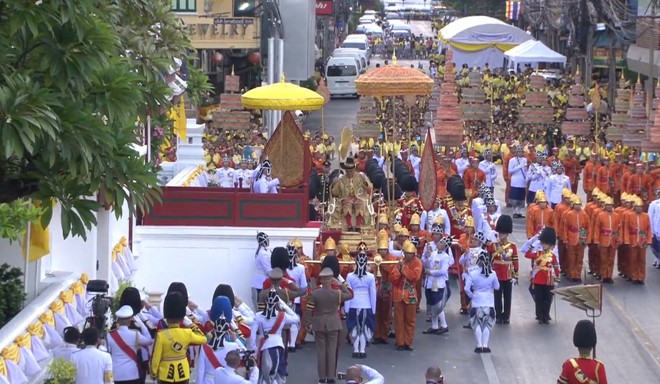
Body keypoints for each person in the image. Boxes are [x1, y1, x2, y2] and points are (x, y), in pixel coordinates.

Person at [306, 267, 353, 384]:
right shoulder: (336, 293)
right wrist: (340, 283)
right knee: (331, 351)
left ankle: (322, 378)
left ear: (321, 280)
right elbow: (350, 294)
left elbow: (309, 309)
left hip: (319, 323)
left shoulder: (314, 293)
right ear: (331, 279)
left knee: (321, 351)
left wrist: (308, 323)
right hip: (333, 323)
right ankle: (331, 377)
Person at [150, 292, 207, 384]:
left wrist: (153, 373)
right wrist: (191, 324)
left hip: (165, 375)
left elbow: (156, 357)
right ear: (182, 319)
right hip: (183, 373)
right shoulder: (187, 333)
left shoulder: (161, 335)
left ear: (167, 319)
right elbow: (203, 338)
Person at [248, 289, 299, 384]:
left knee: (265, 374)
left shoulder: (258, 316)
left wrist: (253, 350)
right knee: (279, 374)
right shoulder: (282, 315)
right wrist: (284, 305)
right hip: (278, 346)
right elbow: (296, 319)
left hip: (264, 347)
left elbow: (252, 334)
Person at [197, 297, 244, 384]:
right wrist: (236, 339)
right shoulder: (233, 346)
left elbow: (200, 372)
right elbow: (246, 353)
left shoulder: (205, 347)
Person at [390, 240, 423, 351]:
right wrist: (399, 272)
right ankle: (400, 342)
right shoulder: (399, 262)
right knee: (399, 320)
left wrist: (403, 269)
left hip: (411, 294)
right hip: (398, 294)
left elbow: (414, 276)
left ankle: (408, 342)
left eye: (410, 253)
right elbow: (393, 279)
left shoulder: (417, 263)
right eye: (406, 253)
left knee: (410, 320)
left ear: (414, 254)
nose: (408, 255)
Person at [345, 244, 377, 358]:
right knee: (363, 328)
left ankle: (356, 349)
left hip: (353, 303)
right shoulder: (370, 277)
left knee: (355, 327)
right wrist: (373, 309)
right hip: (366, 304)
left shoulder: (350, 276)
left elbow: (348, 292)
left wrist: (346, 307)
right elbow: (373, 293)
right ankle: (362, 350)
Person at [107, 305, 153, 384]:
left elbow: (108, 353)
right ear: (130, 320)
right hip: (132, 374)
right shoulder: (135, 334)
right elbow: (149, 340)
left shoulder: (110, 335)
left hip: (116, 374)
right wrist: (142, 325)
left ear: (118, 320)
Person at [465, 251, 499, 353]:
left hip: (477, 301)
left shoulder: (473, 273)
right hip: (488, 301)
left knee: (477, 324)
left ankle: (479, 345)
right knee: (487, 324)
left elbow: (467, 289)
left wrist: (473, 296)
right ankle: (485, 345)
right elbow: (497, 287)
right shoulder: (493, 274)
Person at [525, 227, 560, 324]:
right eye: (543, 243)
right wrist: (532, 246)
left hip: (548, 280)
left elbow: (556, 267)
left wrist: (557, 278)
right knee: (539, 299)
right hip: (538, 280)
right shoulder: (538, 253)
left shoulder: (552, 256)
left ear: (550, 245)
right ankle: (540, 316)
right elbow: (527, 255)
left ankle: (546, 315)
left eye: (546, 243)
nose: (544, 245)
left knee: (547, 299)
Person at [330, 157, 374, 231]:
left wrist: (365, 182)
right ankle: (349, 225)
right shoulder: (341, 179)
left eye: (350, 171)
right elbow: (335, 192)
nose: (349, 173)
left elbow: (370, 188)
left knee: (359, 204)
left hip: (359, 197)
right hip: (346, 198)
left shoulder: (360, 177)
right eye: (347, 171)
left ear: (354, 169)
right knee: (347, 204)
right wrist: (334, 184)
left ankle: (358, 226)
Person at [489, 215, 518, 324]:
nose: (501, 235)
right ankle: (498, 315)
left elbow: (515, 260)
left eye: (503, 233)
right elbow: (489, 259)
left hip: (508, 274)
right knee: (497, 296)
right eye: (500, 233)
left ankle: (506, 316)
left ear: (507, 233)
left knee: (507, 297)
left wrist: (516, 274)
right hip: (497, 273)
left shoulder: (512, 246)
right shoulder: (493, 245)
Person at [422, 235, 453, 335]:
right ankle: (434, 326)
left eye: (441, 243)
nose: (438, 243)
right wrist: (426, 257)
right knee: (431, 305)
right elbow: (426, 264)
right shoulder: (433, 253)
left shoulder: (446, 257)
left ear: (445, 246)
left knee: (437, 306)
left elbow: (443, 271)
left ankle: (444, 325)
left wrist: (431, 272)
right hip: (429, 282)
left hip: (438, 283)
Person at [285, 243, 308, 352]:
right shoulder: (301, 268)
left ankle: (288, 342)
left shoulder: (282, 267)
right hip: (297, 297)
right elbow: (304, 285)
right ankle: (292, 344)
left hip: (283, 296)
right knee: (295, 319)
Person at [252, 232, 272, 309]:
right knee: (260, 309)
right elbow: (268, 270)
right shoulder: (263, 254)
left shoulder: (263, 252)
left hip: (259, 283)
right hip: (260, 284)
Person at [508, 146, 528, 218]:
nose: (520, 153)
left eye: (521, 152)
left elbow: (526, 170)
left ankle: (519, 212)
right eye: (518, 152)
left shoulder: (525, 160)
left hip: (522, 180)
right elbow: (510, 171)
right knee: (514, 197)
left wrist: (527, 177)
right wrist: (519, 166)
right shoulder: (512, 160)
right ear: (516, 153)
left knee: (521, 197)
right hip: (515, 180)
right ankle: (514, 212)